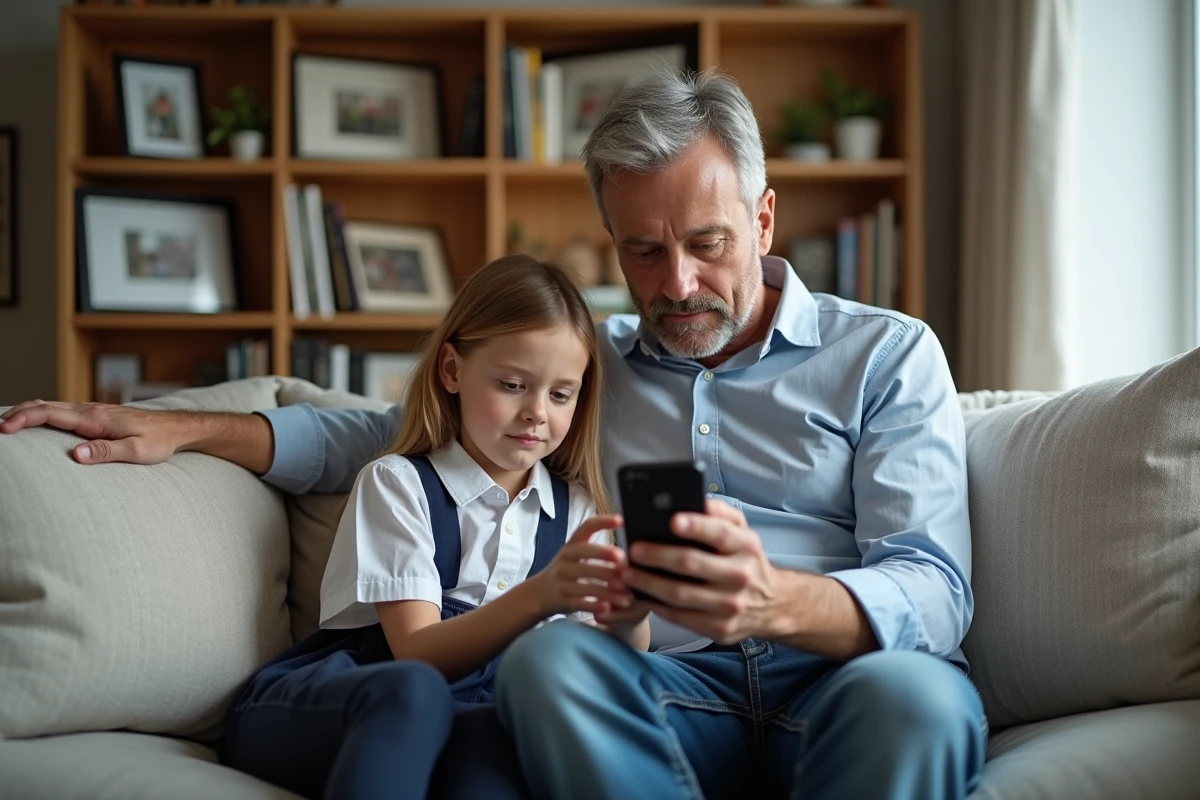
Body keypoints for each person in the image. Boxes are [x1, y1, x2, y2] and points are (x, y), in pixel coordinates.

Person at [2, 70, 986, 799]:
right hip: (666, 686)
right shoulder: (585, 368)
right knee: (548, 665)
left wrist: (776, 599)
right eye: (644, 251)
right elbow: (391, 434)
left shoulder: (886, 354)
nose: (677, 283)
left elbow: (935, 589)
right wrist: (183, 426)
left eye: (706, 243)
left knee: (922, 701)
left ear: (764, 220)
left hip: (845, 679)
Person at [221, 254, 645, 800]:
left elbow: (611, 661)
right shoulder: (397, 484)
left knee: (499, 747)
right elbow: (418, 653)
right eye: (513, 384)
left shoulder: (578, 511)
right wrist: (541, 596)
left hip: (469, 715)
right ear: (451, 370)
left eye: (560, 394)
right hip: (340, 705)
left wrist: (631, 613)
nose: (538, 412)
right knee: (416, 693)